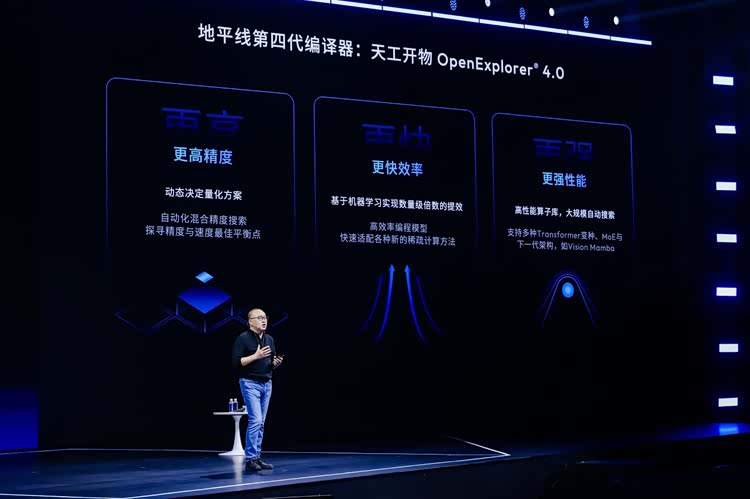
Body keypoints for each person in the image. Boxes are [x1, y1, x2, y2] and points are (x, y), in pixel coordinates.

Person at [231, 308, 284, 472]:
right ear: (250, 322)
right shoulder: (243, 338)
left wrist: (275, 364)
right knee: (255, 420)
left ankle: (257, 456)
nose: (263, 320)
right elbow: (236, 362)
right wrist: (256, 356)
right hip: (250, 383)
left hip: (267, 383)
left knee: (261, 423)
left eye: (265, 317)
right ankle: (250, 459)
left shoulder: (269, 339)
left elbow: (270, 363)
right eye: (259, 318)